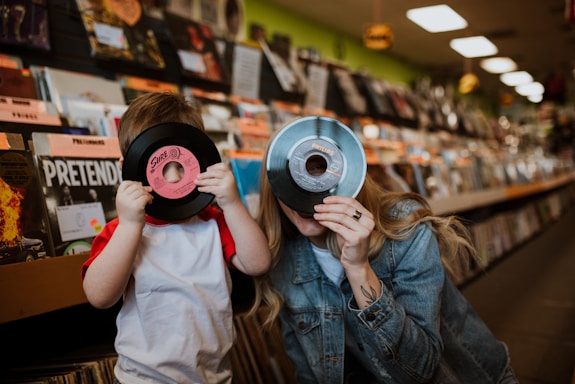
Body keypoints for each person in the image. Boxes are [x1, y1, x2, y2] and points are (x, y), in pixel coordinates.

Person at [249, 125, 518, 383]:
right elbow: (309, 373)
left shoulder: (406, 231)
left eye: (320, 171)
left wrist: (358, 268)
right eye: (293, 176)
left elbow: (420, 369)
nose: (306, 190)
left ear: (347, 176)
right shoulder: (282, 262)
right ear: (274, 186)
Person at [81, 91, 271, 384]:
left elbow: (258, 263)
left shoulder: (213, 222)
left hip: (214, 376)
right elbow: (99, 296)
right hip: (143, 379)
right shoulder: (123, 230)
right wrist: (131, 226)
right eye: (159, 166)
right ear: (130, 164)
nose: (171, 179)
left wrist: (232, 203)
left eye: (180, 166)